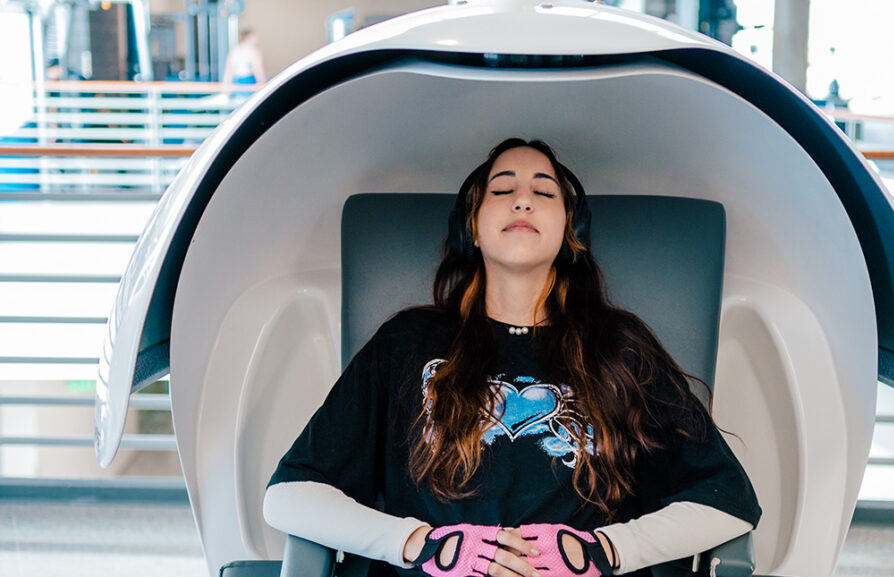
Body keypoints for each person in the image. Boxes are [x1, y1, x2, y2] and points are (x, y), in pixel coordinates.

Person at [263, 138, 761, 577]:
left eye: (544, 193)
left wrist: (602, 551)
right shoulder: (406, 343)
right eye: (502, 190)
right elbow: (289, 495)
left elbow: (727, 502)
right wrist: (422, 546)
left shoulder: (620, 349)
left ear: (569, 235)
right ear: (474, 229)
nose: (523, 199)